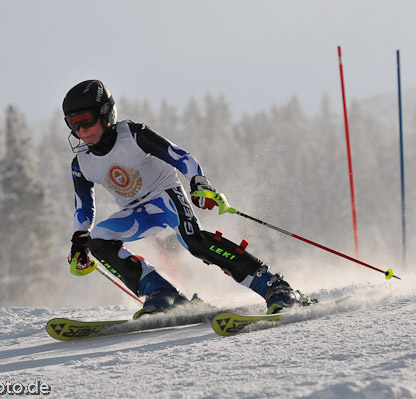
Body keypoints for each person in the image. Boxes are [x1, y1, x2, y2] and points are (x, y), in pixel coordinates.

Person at [63, 80, 315, 317]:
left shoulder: (132, 134)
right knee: (97, 239)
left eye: (86, 120)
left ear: (106, 114)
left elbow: (181, 156)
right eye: (74, 124)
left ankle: (275, 286)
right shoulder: (81, 162)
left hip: (164, 196)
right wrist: (79, 241)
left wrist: (198, 182)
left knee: (193, 240)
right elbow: (83, 209)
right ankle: (164, 294)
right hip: (135, 212)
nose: (81, 130)